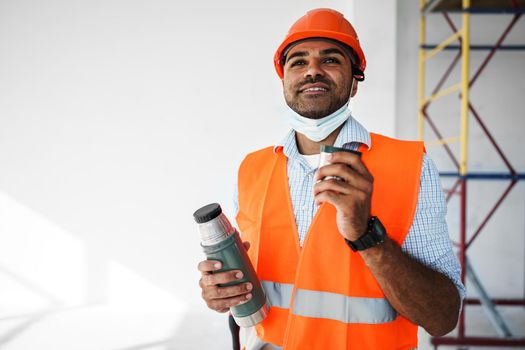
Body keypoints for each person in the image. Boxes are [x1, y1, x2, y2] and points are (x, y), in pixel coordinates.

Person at [198, 8, 464, 350]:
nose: (312, 70)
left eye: (331, 60)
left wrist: (367, 237)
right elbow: (258, 293)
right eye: (298, 62)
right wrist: (222, 292)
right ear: (284, 81)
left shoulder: (410, 166)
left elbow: (442, 317)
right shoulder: (252, 169)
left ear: (354, 82)